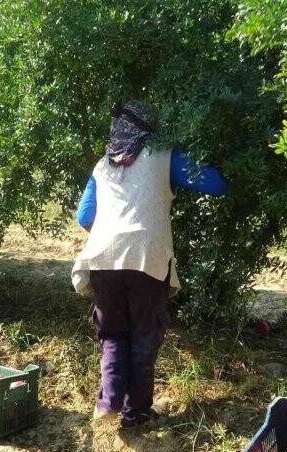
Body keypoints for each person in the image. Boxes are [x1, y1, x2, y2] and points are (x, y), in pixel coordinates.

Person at [72, 101, 228, 429]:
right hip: (147, 256)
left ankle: (109, 400)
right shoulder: (165, 156)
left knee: (113, 331)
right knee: (144, 334)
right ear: (151, 128)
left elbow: (84, 215)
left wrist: (113, 235)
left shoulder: (102, 165)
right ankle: (136, 413)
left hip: (102, 255)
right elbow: (216, 184)